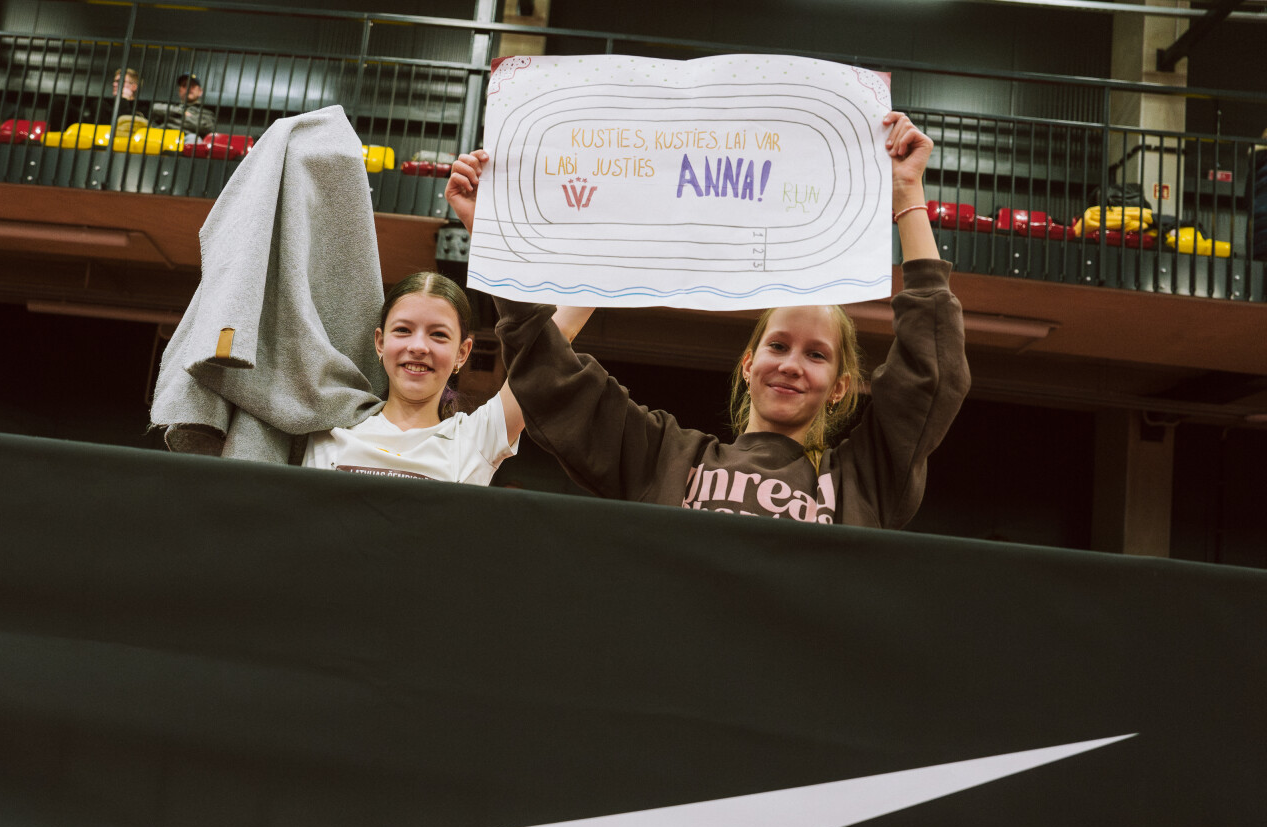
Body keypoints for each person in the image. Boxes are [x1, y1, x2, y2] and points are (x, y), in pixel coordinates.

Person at [444, 111, 967, 528]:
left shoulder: (862, 480)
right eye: (778, 345)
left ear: (839, 387)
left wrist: (907, 194)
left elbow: (931, 374)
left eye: (816, 354)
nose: (791, 364)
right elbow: (552, 377)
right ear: (748, 364)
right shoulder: (668, 458)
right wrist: (495, 238)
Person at [299, 272, 526, 485]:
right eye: (403, 330)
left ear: (462, 353)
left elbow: (539, 350)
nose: (418, 347)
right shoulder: (329, 426)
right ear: (380, 343)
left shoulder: (477, 440)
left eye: (438, 334)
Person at [149, 72, 216, 140]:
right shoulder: (174, 107)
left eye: (192, 86)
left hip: (187, 139)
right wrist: (182, 113)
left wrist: (171, 118)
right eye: (184, 85)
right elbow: (155, 108)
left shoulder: (207, 113)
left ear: (200, 91)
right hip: (162, 137)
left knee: (193, 139)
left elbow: (207, 128)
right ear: (179, 91)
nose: (188, 88)